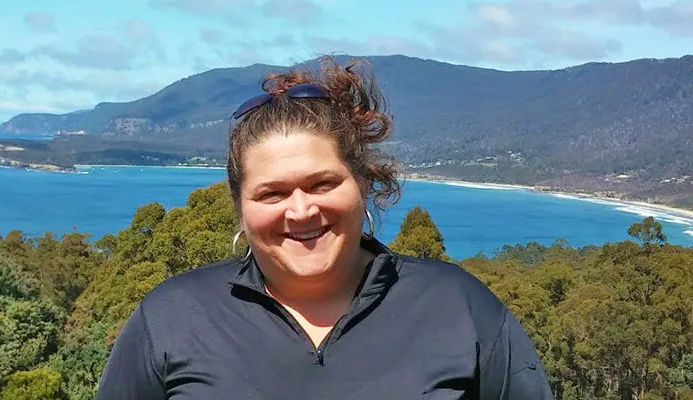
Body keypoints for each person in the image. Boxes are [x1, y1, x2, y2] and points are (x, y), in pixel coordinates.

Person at [96, 56, 554, 399]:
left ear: (363, 184)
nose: (301, 211)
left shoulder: (458, 306)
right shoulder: (173, 318)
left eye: (322, 184)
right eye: (272, 193)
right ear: (240, 208)